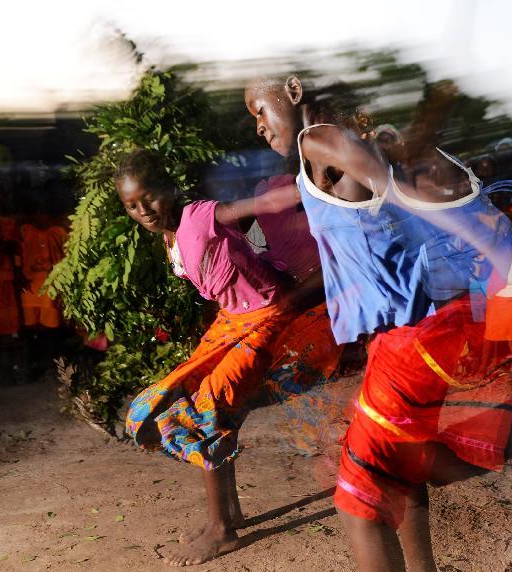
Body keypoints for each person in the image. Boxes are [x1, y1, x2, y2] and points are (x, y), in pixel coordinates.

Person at [245, 74, 512, 571]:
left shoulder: (318, 138)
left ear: (294, 91)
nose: (258, 126)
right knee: (397, 464)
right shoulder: (338, 149)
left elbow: (401, 194)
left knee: (358, 495)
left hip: (416, 341)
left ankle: (451, 471)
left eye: (259, 109)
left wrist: (508, 250)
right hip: (415, 333)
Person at [118, 149, 342, 566]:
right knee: (179, 398)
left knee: (208, 407)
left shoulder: (202, 215)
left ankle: (221, 531)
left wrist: (317, 184)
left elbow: (264, 204)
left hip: (267, 316)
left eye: (149, 197)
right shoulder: (169, 236)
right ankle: (230, 513)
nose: (143, 210)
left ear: (169, 187)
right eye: (132, 205)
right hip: (232, 322)